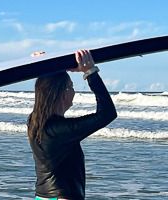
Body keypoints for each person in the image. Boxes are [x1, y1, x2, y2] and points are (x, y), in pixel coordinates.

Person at [28, 49, 117, 200]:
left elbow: (47, 85)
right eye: (71, 87)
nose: (74, 92)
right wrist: (90, 72)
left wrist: (47, 65)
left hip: (42, 196)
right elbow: (107, 113)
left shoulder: (34, 121)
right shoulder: (60, 130)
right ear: (61, 93)